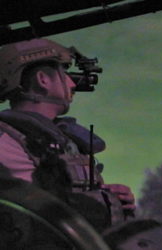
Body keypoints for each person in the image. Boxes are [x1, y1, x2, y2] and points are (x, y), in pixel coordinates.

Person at [0, 38, 136, 247]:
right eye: (65, 74)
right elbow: (27, 213)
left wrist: (112, 196)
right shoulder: (7, 140)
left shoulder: (57, 139)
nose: (72, 83)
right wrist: (105, 204)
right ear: (42, 79)